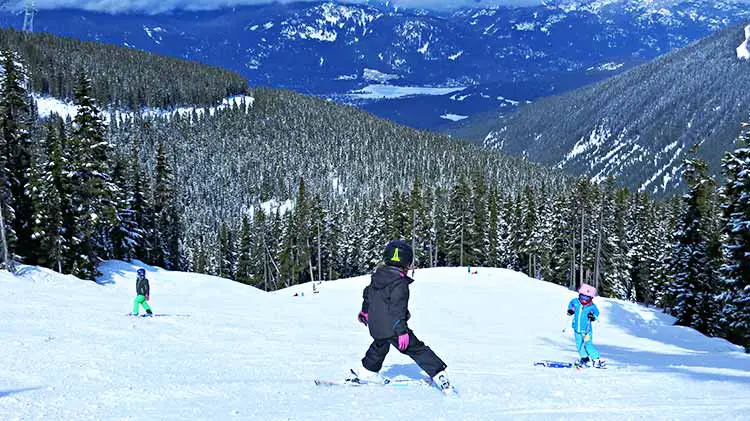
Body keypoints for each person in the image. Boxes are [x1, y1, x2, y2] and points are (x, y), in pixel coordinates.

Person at [353, 240, 453, 392]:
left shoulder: (377, 276)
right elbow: (397, 309)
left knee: (380, 344)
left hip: (375, 325)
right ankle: (439, 375)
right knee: (417, 349)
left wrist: (365, 311)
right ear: (407, 262)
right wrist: (401, 331)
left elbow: (368, 294)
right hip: (393, 327)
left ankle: (368, 371)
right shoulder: (399, 283)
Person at [567, 283, 604, 368]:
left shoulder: (592, 306)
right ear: (579, 295)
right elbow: (571, 305)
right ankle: (585, 359)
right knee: (579, 345)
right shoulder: (575, 302)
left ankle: (596, 359)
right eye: (582, 296)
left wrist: (593, 316)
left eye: (586, 298)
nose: (583, 299)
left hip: (587, 331)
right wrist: (570, 310)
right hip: (577, 330)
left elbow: (596, 313)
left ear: (591, 298)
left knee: (588, 344)